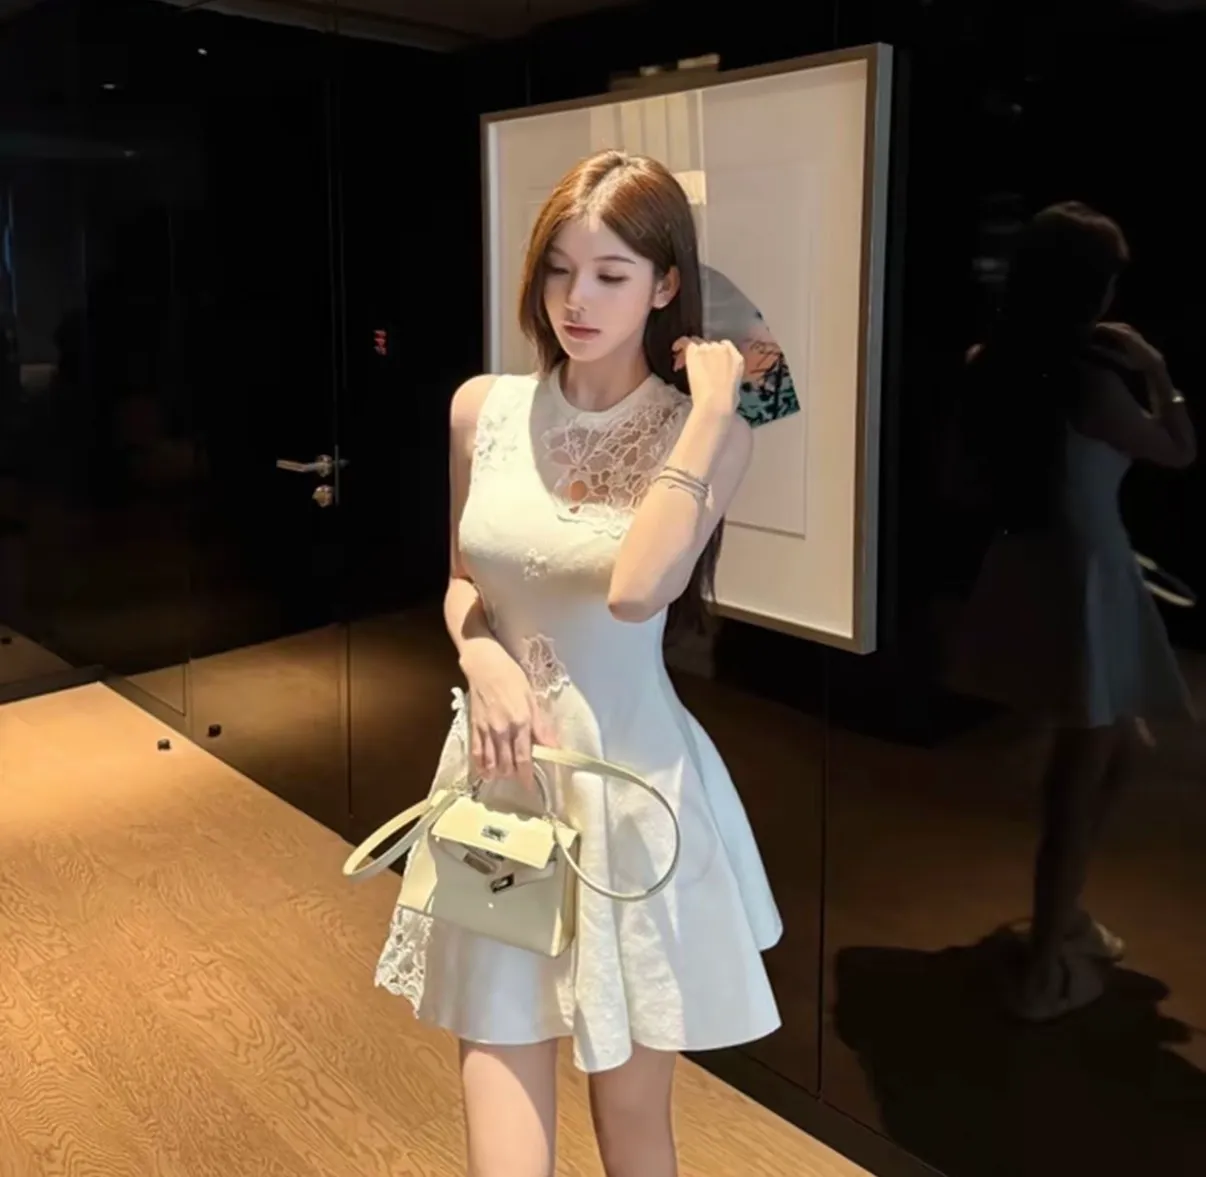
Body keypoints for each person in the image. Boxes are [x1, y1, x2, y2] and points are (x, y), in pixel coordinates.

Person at [374, 149, 783, 1177]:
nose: (576, 300)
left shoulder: (709, 435)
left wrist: (709, 412)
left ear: (665, 283)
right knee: (496, 1084)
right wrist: (482, 658)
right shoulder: (483, 408)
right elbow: (463, 580)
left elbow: (638, 590)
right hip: (502, 783)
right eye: (559, 269)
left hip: (630, 791)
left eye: (610, 273)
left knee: (634, 1122)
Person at [948, 201, 1197, 1022]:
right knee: (1080, 775)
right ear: (1088, 289)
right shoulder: (1090, 382)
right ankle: (1045, 963)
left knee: (1120, 749)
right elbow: (1179, 449)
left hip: (1032, 563)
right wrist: (1155, 367)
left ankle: (1064, 912)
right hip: (1084, 573)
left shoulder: (992, 361)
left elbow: (970, 474)